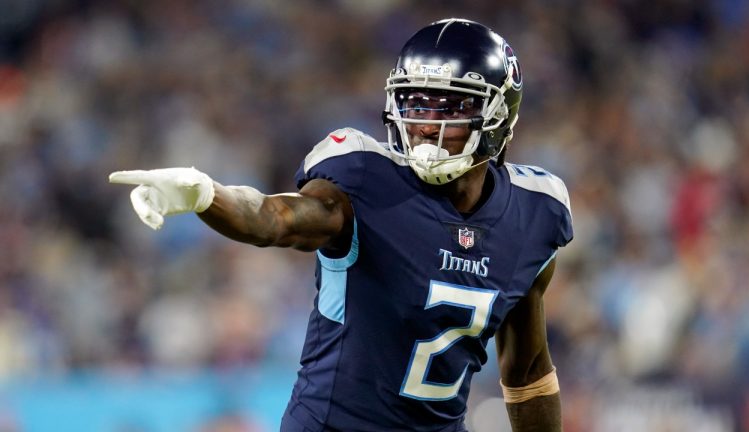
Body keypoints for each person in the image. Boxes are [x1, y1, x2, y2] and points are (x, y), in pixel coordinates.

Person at [110, 18, 573, 432]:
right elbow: (275, 218)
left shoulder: (534, 214)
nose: (425, 125)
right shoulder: (364, 181)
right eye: (415, 104)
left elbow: (528, 371)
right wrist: (207, 195)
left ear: (497, 115)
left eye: (448, 108)